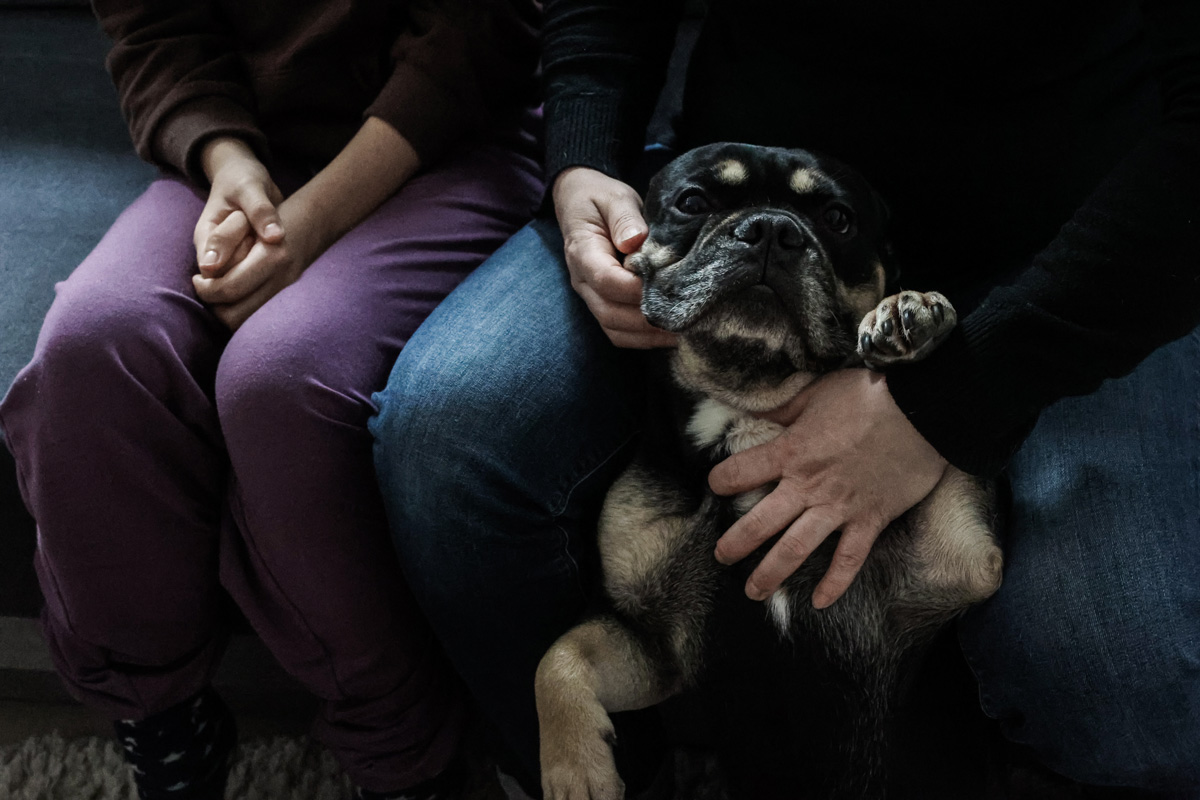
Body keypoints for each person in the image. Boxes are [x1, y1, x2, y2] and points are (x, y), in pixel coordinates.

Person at [369, 0, 1200, 795]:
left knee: (1129, 671)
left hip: (1082, 235)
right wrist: (583, 159)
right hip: (712, 205)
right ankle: (611, 776)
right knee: (445, 431)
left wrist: (946, 402)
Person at [0, 1, 542, 798]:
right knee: (94, 351)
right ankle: (165, 728)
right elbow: (155, 25)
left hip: (453, 145)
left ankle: (409, 762)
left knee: (281, 382)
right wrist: (227, 162)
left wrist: (307, 228)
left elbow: (482, 33)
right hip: (253, 146)